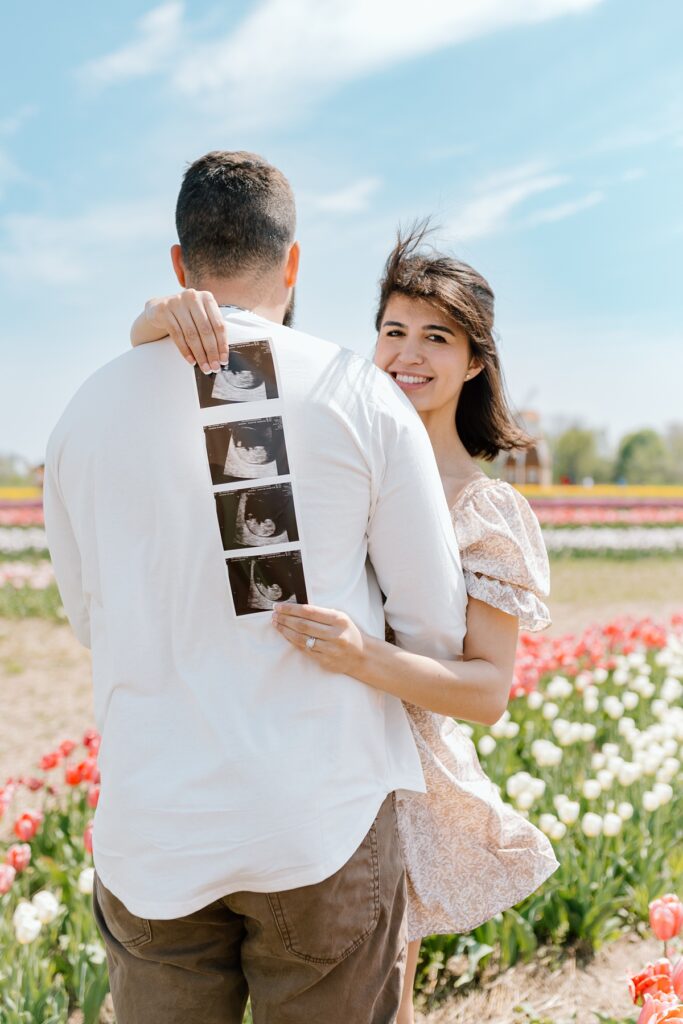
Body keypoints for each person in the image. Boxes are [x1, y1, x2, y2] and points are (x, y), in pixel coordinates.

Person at [43, 152, 472, 1024]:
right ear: (294, 261)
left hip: (154, 829)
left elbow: (89, 619)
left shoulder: (82, 413)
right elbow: (432, 628)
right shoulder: (360, 394)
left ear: (178, 262)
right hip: (317, 821)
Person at [133, 222, 559, 1023]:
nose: (407, 354)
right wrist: (159, 319)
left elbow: (485, 692)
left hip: (396, 776)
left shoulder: (488, 509)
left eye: (437, 338)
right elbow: (234, 366)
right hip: (291, 754)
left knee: (379, 1002)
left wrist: (362, 656)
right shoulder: (331, 437)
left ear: (474, 363)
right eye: (392, 331)